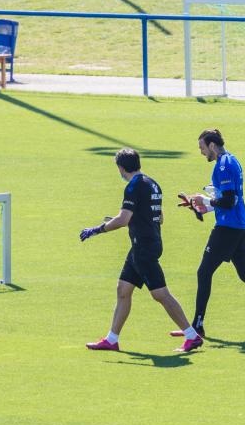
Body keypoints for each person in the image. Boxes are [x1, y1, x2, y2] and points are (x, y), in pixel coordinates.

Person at [80, 148, 203, 353]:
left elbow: (123, 220)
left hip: (143, 248)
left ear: (121, 168)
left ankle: (191, 336)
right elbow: (158, 217)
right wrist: (127, 220)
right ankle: (112, 339)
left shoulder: (133, 187)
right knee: (123, 290)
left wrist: (95, 230)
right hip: (146, 243)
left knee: (160, 294)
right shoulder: (152, 183)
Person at [171, 129, 245, 338]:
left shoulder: (224, 165)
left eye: (201, 148)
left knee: (204, 272)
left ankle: (197, 326)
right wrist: (202, 207)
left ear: (212, 145)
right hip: (238, 225)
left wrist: (205, 200)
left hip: (229, 229)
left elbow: (229, 200)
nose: (201, 153)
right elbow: (226, 201)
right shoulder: (229, 161)